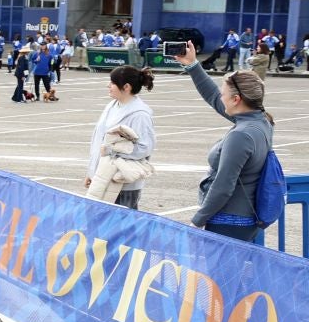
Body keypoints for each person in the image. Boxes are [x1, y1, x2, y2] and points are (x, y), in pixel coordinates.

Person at [174, 42, 275, 241]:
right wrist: (192, 65)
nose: (221, 97)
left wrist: (197, 220)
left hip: (228, 220)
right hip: (243, 219)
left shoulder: (241, 134)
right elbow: (213, 95)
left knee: (216, 273)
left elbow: (223, 186)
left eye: (224, 94)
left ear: (236, 99)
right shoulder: (261, 121)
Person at [83, 66, 157, 207]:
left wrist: (113, 151)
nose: (108, 86)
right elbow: (99, 140)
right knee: (99, 223)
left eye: (112, 83)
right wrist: (92, 171)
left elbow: (144, 148)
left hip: (123, 184)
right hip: (103, 177)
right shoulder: (112, 105)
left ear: (126, 87)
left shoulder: (140, 114)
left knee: (122, 226)